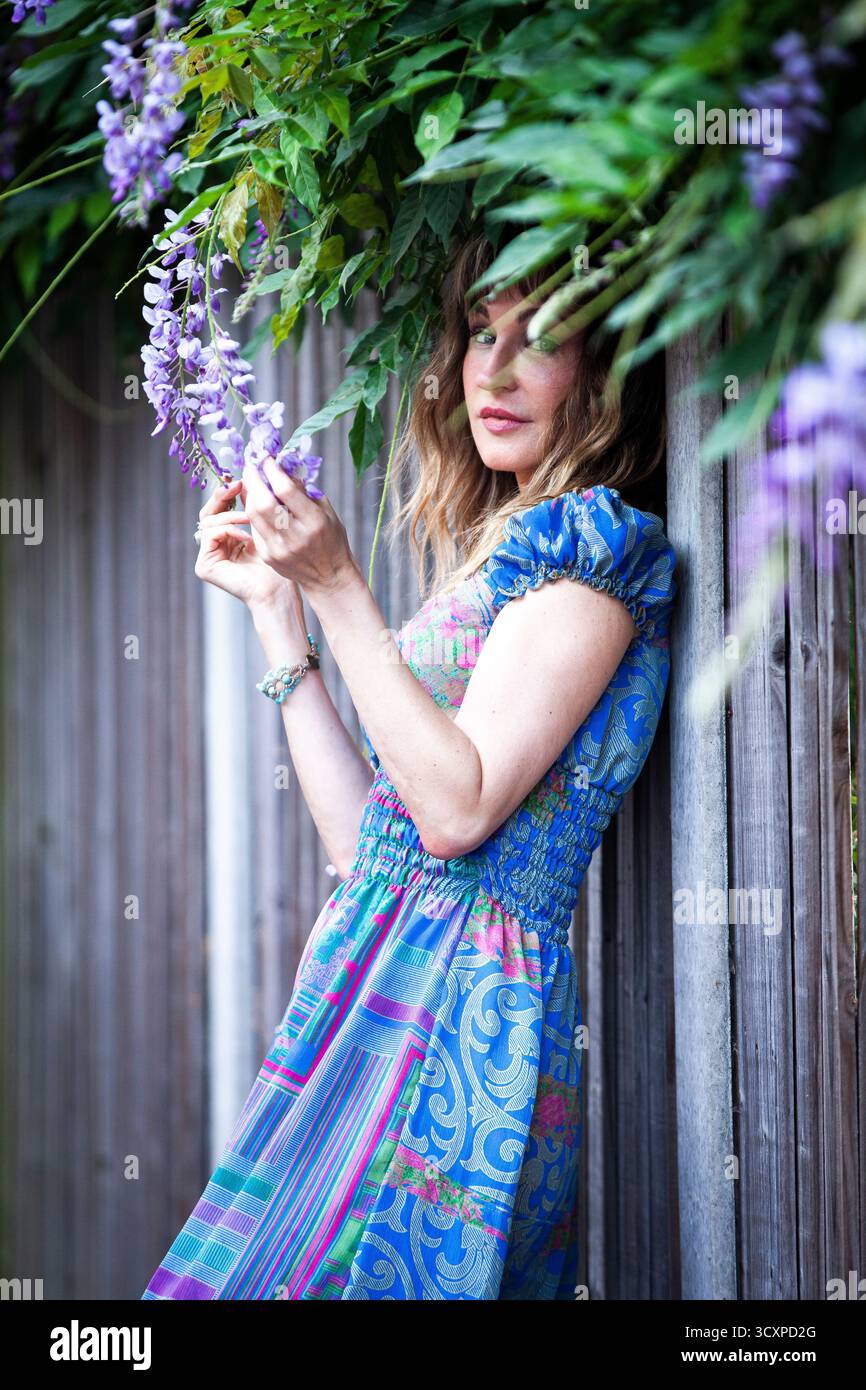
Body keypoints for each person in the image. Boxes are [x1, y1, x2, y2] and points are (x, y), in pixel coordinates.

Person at [141, 229, 678, 1301]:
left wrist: (342, 582)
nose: (491, 367)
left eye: (539, 339)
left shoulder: (594, 547)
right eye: (479, 334)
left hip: (458, 1016)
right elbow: (374, 845)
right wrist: (283, 623)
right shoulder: (509, 550)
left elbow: (459, 810)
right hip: (374, 987)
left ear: (610, 361)